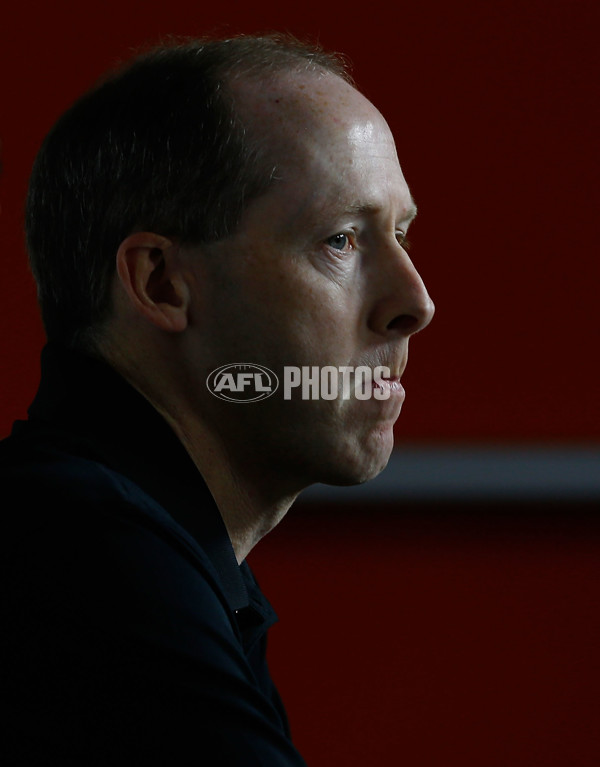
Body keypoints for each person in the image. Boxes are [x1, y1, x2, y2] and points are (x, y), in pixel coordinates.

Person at [1, 34, 434, 764]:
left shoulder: (129, 540)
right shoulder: (86, 557)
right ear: (162, 283)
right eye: (339, 240)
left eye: (401, 234)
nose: (414, 302)